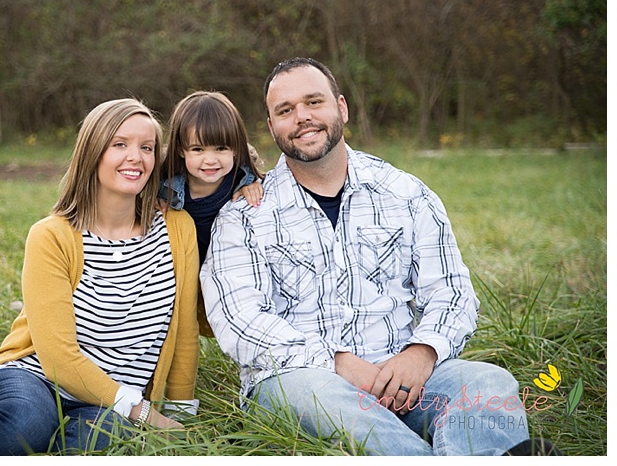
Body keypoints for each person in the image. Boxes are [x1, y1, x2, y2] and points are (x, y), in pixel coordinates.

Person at [200, 58, 561, 456]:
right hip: (301, 379)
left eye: (313, 102)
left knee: (488, 384)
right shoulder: (244, 215)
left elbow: (453, 293)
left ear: (342, 107)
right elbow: (240, 321)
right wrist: (338, 364)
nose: (301, 117)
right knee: (327, 399)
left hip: (404, 376)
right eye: (285, 111)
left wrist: (422, 354)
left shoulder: (405, 194)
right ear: (272, 127)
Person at [0, 98, 202, 456]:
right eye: (119, 144)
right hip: (36, 378)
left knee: (97, 444)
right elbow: (58, 357)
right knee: (26, 424)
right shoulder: (52, 235)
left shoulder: (176, 228)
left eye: (147, 147)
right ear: (92, 152)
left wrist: (180, 415)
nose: (136, 157)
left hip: (109, 401)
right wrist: (143, 411)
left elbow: (184, 329)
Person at [159, 91, 265, 335]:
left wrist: (251, 184)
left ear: (236, 148)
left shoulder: (242, 181)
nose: (210, 160)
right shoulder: (164, 187)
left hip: (229, 276)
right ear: (180, 150)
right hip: (182, 277)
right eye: (197, 149)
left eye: (221, 148)